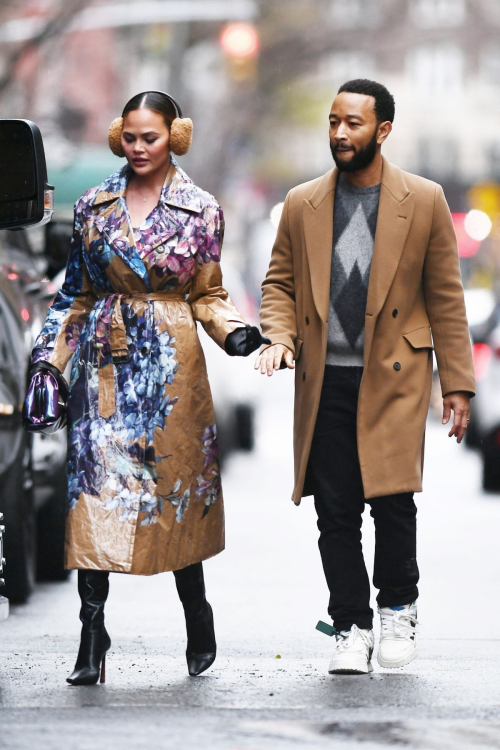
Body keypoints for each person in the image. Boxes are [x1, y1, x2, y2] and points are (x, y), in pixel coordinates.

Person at [30, 90, 268, 685]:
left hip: (171, 371)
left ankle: (197, 613)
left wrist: (238, 336)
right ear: (119, 136)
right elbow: (74, 296)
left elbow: (209, 295)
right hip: (106, 373)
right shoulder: (92, 205)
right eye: (130, 137)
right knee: (94, 496)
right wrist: (47, 364)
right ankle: (91, 634)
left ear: (175, 136)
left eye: (151, 137)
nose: (139, 148)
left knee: (176, 492)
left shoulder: (201, 208)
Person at [255, 79, 475, 675]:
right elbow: (279, 283)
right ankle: (350, 626)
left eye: (353, 123)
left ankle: (398, 607)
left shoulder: (424, 199)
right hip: (326, 377)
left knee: (393, 499)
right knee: (334, 510)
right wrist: (279, 337)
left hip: (395, 375)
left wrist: (457, 382)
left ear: (383, 130)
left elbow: (446, 297)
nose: (339, 134)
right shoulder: (302, 203)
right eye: (333, 122)